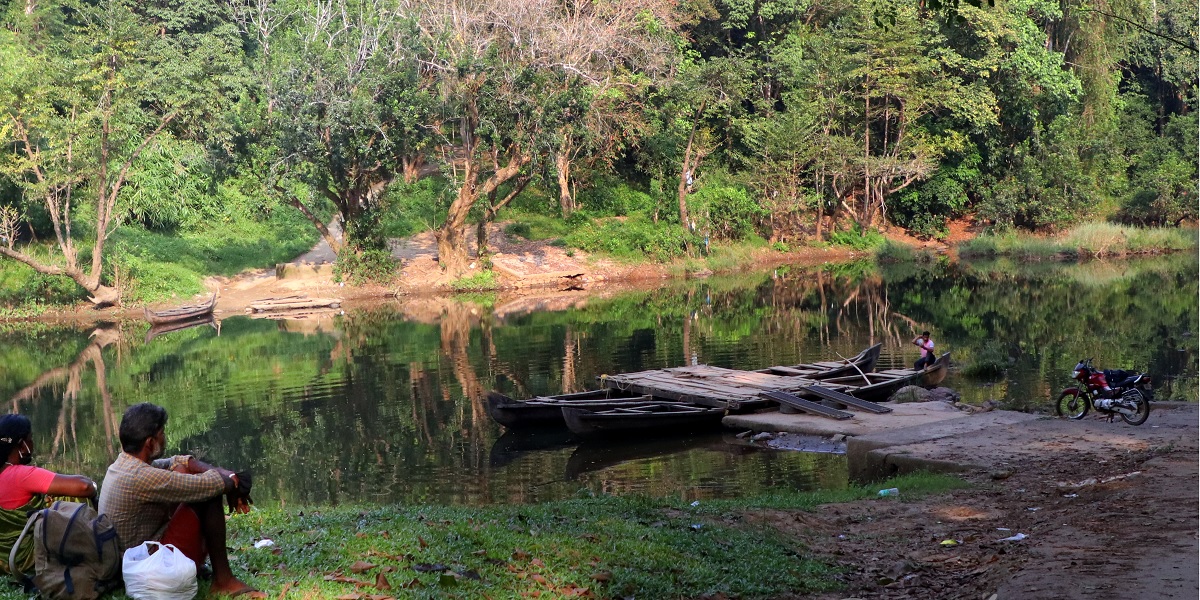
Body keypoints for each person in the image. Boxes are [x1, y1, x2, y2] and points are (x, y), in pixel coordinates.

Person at [98, 403, 264, 598]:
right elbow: (210, 485)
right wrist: (237, 482)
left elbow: (175, 462)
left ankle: (202, 569)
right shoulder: (140, 476)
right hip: (147, 566)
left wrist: (228, 475)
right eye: (162, 432)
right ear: (151, 443)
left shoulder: (124, 464)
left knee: (186, 474)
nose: (165, 437)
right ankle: (223, 581)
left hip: (132, 560)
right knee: (207, 496)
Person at [0, 414, 97, 579]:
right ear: (22, 445)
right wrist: (94, 486)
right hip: (27, 557)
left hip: (5, 558)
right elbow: (84, 486)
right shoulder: (20, 474)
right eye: (30, 439)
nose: (32, 443)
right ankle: (94, 551)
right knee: (75, 499)